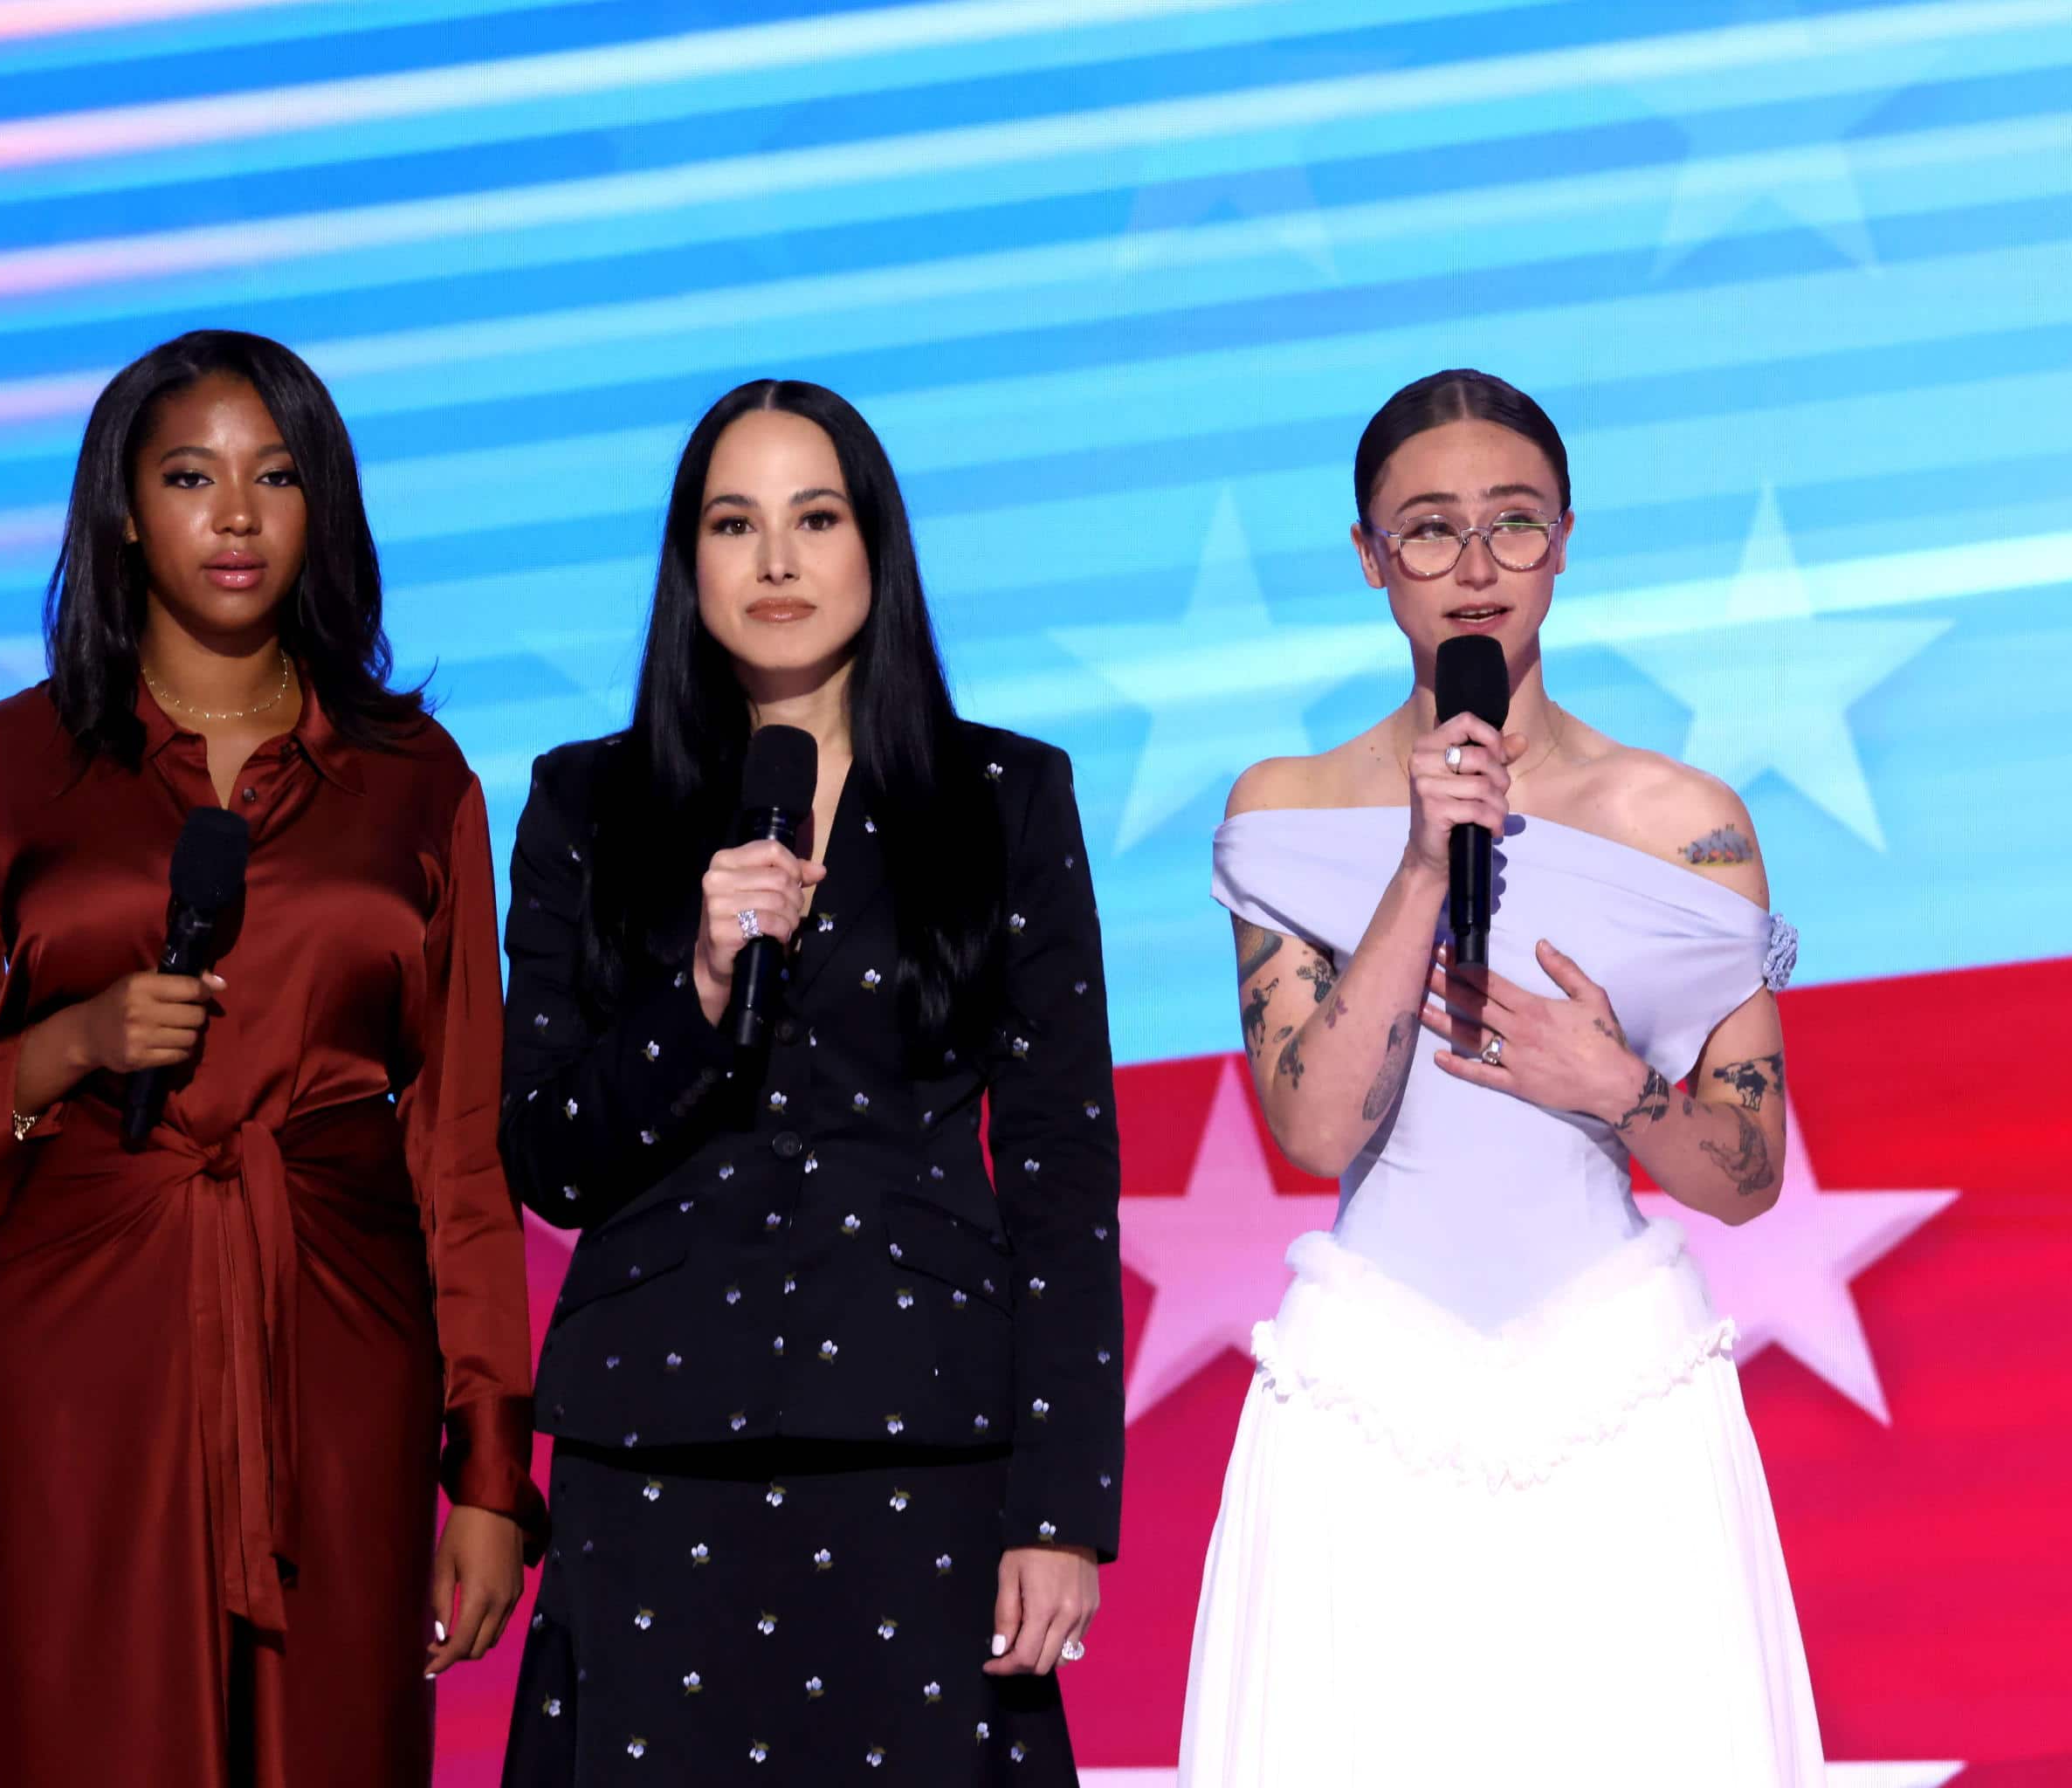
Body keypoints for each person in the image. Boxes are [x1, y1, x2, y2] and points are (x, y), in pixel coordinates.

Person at [0, 329, 542, 1785]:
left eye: (275, 478)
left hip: (342, 1345)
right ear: (122, 510)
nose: (235, 516)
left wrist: (489, 1474)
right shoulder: (1, 770)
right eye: (190, 477)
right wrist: (65, 1047)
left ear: (322, 509)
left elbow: (461, 1152)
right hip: (79, 1358)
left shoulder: (420, 781)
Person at [1176, 369, 1823, 1785]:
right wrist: (1422, 861)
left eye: (1513, 524)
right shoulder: (1285, 812)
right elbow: (1314, 1122)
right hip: (1371, 1395)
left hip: (1622, 1395)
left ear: (1567, 540)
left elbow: (1752, 1178)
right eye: (1428, 531)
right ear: (1369, 558)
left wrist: (1621, 1091)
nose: (1475, 568)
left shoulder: (1686, 825)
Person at [496, 379, 1124, 1783]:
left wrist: (1063, 1507)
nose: (776, 562)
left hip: (925, 1444)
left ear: (874, 547)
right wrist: (701, 991)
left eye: (814, 517)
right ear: (690, 564)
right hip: (654, 1448)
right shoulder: (587, 804)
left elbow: (1061, 1164)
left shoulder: (1005, 797)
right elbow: (545, 1152)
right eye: (735, 523)